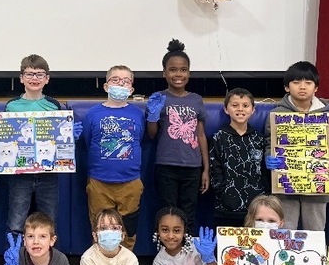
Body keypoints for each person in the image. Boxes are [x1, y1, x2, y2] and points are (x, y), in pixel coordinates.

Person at [265, 61, 329, 231]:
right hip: (285, 185)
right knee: (285, 230)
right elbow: (269, 143)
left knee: (315, 230)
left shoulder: (327, 115)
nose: (302, 87)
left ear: (316, 88)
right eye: (296, 82)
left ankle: (316, 259)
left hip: (317, 187)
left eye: (308, 83)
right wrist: (268, 157)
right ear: (286, 87)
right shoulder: (277, 114)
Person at [145, 40, 210, 235]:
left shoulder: (196, 99)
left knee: (188, 214)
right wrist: (153, 116)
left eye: (183, 70)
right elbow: (151, 134)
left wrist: (205, 169)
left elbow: (201, 135)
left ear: (189, 72)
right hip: (166, 165)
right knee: (167, 212)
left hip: (192, 167)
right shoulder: (158, 97)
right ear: (164, 73)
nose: (178, 74)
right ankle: (166, 256)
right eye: (173, 70)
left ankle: (186, 257)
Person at [77, 65, 145, 250]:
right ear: (106, 86)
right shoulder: (93, 114)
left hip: (130, 182)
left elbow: (140, 139)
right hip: (99, 182)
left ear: (131, 89)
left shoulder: (137, 114)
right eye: (115, 80)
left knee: (128, 230)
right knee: (100, 229)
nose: (120, 83)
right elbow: (89, 140)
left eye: (126, 81)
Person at [3, 55, 65, 236]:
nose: (34, 78)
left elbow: (60, 138)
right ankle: (14, 263)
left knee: (49, 220)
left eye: (39, 74)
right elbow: (9, 140)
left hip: (48, 175)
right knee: (16, 221)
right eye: (29, 74)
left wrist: (69, 135)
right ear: (21, 78)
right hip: (20, 174)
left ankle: (50, 263)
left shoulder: (54, 105)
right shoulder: (12, 106)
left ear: (47, 78)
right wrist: (0, 133)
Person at [208, 88, 268, 227]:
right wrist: (223, 193)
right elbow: (214, 168)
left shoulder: (258, 138)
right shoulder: (218, 137)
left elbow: (264, 171)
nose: (240, 109)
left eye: (245, 106)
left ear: (253, 110)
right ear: (226, 109)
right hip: (226, 208)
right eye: (235, 105)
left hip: (256, 209)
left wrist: (264, 195)